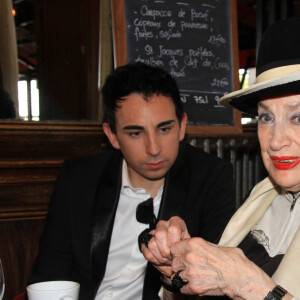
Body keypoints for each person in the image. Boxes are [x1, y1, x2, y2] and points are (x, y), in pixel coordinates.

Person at [28, 62, 235, 300]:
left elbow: (215, 288)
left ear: (182, 127)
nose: (154, 148)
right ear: (112, 135)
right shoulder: (78, 179)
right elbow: (49, 279)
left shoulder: (211, 178)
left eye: (164, 129)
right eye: (136, 133)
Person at [141, 18, 300, 300]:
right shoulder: (263, 196)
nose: (276, 140)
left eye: (297, 117)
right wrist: (179, 272)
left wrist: (249, 285)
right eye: (266, 117)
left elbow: (242, 283)